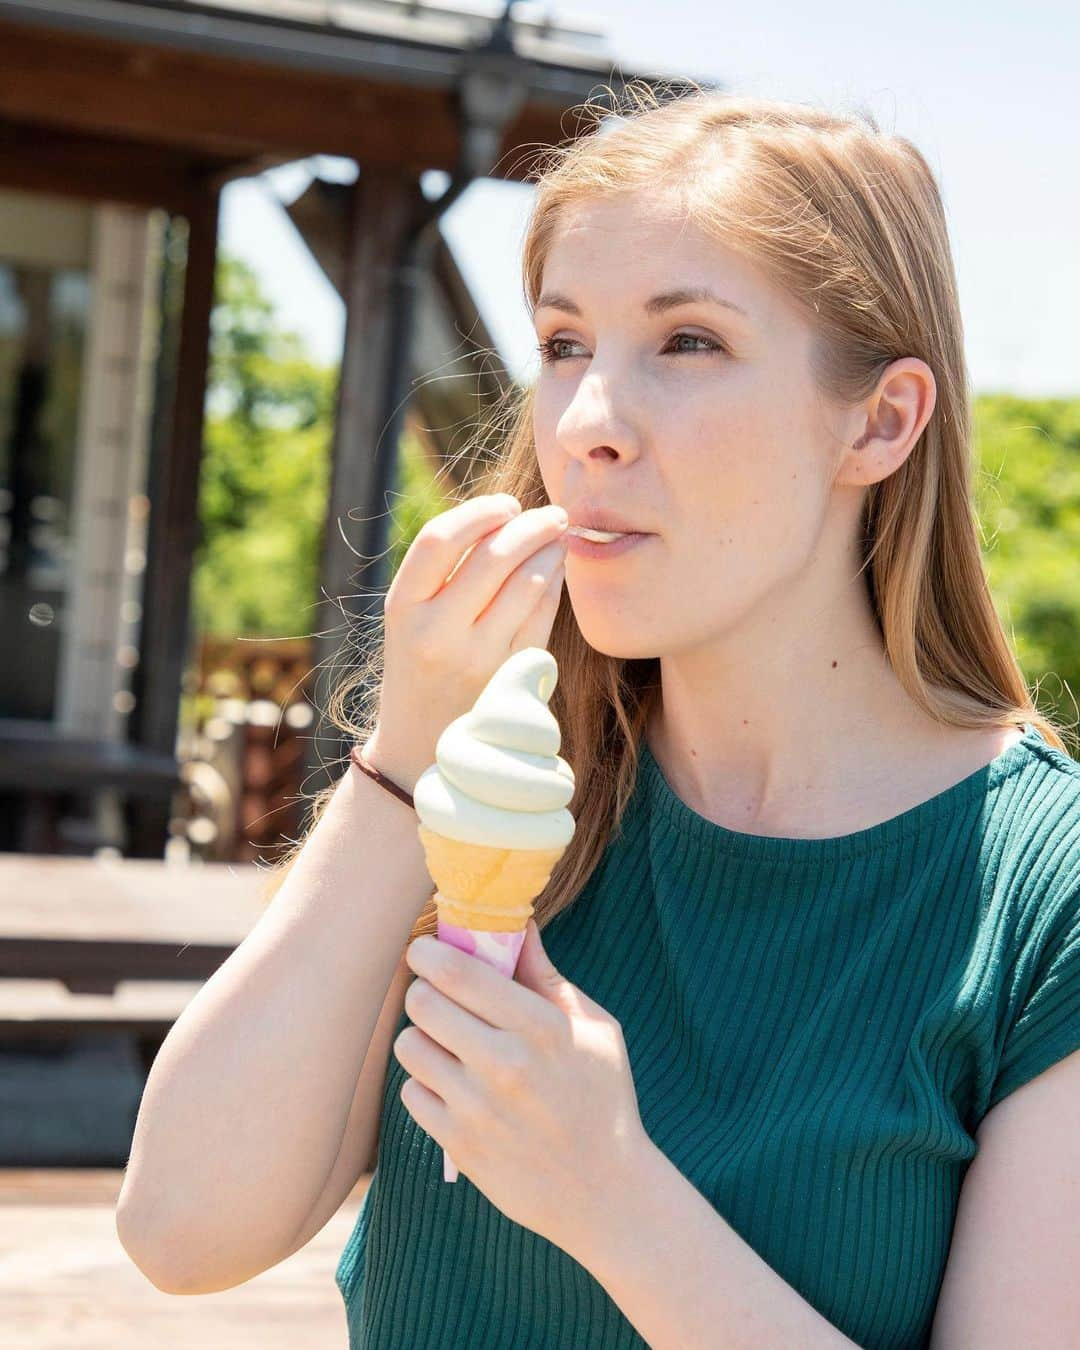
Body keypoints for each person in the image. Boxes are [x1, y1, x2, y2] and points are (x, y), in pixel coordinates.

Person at [117, 84, 1080, 1348]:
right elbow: (181, 1232)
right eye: (565, 345)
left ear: (882, 420)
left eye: (687, 344)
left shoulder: (1042, 894)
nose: (584, 427)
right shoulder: (496, 799)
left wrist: (611, 1194)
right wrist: (404, 759)